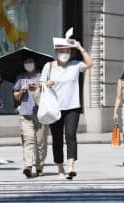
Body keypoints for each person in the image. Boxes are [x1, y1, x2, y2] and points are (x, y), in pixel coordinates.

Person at [40, 40, 93, 179]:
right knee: (57, 138)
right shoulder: (49, 66)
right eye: (62, 51)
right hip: (54, 108)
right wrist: (47, 83)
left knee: (70, 135)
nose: (64, 54)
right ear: (56, 52)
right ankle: (60, 169)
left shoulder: (75, 65)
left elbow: (90, 64)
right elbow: (40, 83)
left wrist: (80, 48)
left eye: (68, 51)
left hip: (73, 107)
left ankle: (71, 166)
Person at [13, 56, 48, 178]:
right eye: (26, 62)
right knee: (28, 140)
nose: (29, 64)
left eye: (31, 61)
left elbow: (49, 91)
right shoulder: (20, 77)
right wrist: (22, 91)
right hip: (25, 113)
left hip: (41, 114)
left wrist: (38, 87)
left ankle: (40, 167)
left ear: (35, 62)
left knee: (41, 142)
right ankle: (28, 166)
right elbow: (16, 96)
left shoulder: (42, 76)